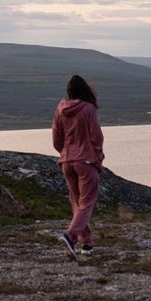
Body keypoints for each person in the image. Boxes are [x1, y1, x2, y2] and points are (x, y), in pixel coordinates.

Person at [50, 74, 104, 256]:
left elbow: (56, 138)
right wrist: (98, 157)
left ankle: (86, 243)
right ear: (85, 90)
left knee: (77, 203)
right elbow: (96, 136)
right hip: (86, 161)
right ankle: (71, 235)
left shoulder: (60, 109)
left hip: (67, 161)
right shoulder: (88, 108)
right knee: (86, 203)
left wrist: (65, 152)